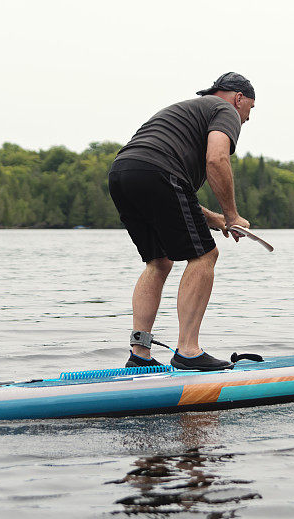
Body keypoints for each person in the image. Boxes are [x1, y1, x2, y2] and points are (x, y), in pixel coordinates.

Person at [108, 72, 255, 371]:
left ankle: (140, 354)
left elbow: (170, 189)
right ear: (239, 98)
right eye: (249, 110)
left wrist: (215, 218)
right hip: (157, 172)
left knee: (159, 261)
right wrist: (232, 215)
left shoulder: (186, 112)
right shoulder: (224, 110)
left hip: (123, 172)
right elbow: (216, 159)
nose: (247, 120)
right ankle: (188, 351)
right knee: (205, 255)